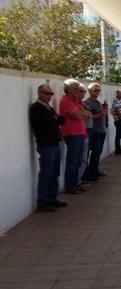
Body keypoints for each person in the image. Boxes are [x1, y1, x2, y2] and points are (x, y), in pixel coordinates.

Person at [29, 83, 67, 212]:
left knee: (54, 173)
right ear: (39, 93)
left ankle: (52, 198)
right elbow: (49, 122)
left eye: (51, 94)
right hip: (46, 145)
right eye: (47, 93)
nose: (49, 96)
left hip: (54, 143)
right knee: (46, 173)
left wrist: (55, 118)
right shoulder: (37, 108)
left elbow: (61, 119)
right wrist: (55, 119)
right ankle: (42, 201)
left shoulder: (48, 108)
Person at [82, 82, 108, 181]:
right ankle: (89, 172)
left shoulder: (97, 102)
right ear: (90, 91)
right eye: (95, 90)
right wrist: (101, 114)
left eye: (98, 90)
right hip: (95, 130)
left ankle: (95, 169)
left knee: (98, 152)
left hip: (101, 130)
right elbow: (90, 116)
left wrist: (104, 109)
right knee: (94, 152)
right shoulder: (87, 102)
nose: (97, 92)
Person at [112, 89, 121, 155]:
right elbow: (117, 110)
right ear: (117, 93)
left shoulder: (119, 101)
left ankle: (118, 149)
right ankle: (118, 150)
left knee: (119, 136)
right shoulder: (115, 100)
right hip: (119, 121)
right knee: (118, 136)